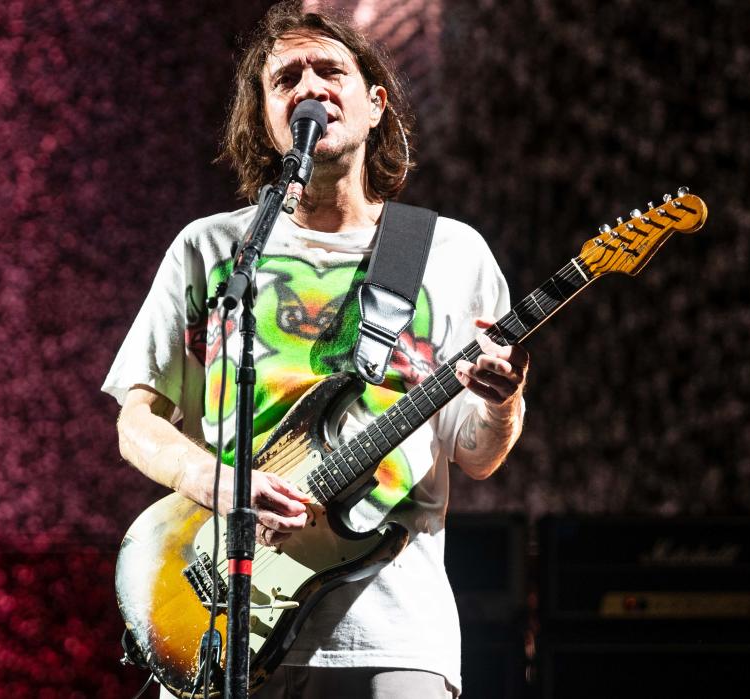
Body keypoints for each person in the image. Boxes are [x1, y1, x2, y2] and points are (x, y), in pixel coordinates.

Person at [103, 3, 529, 697]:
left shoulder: (451, 254)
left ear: (373, 105)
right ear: (267, 117)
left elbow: (478, 455)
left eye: (330, 69)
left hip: (391, 634)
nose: (309, 87)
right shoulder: (212, 249)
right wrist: (216, 484)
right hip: (220, 617)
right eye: (286, 78)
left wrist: (503, 400)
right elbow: (137, 421)